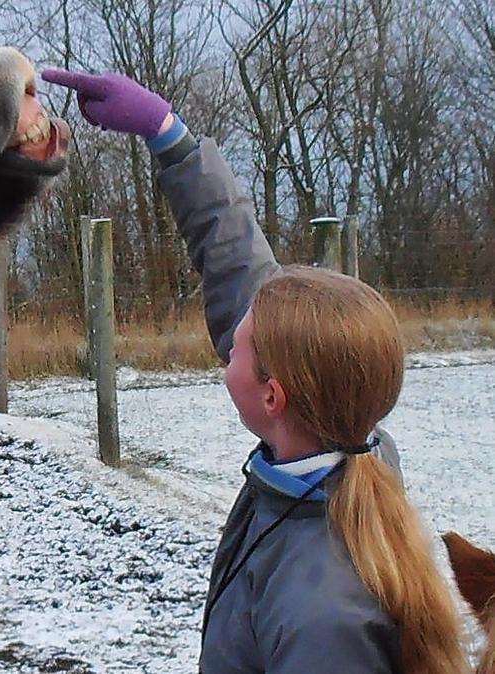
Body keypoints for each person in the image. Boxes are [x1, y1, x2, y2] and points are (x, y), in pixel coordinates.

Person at [42, 68, 468, 674]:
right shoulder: (340, 462)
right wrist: (170, 137)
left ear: (273, 396)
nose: (226, 342)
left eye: (237, 345)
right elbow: (239, 268)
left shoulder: (323, 618)